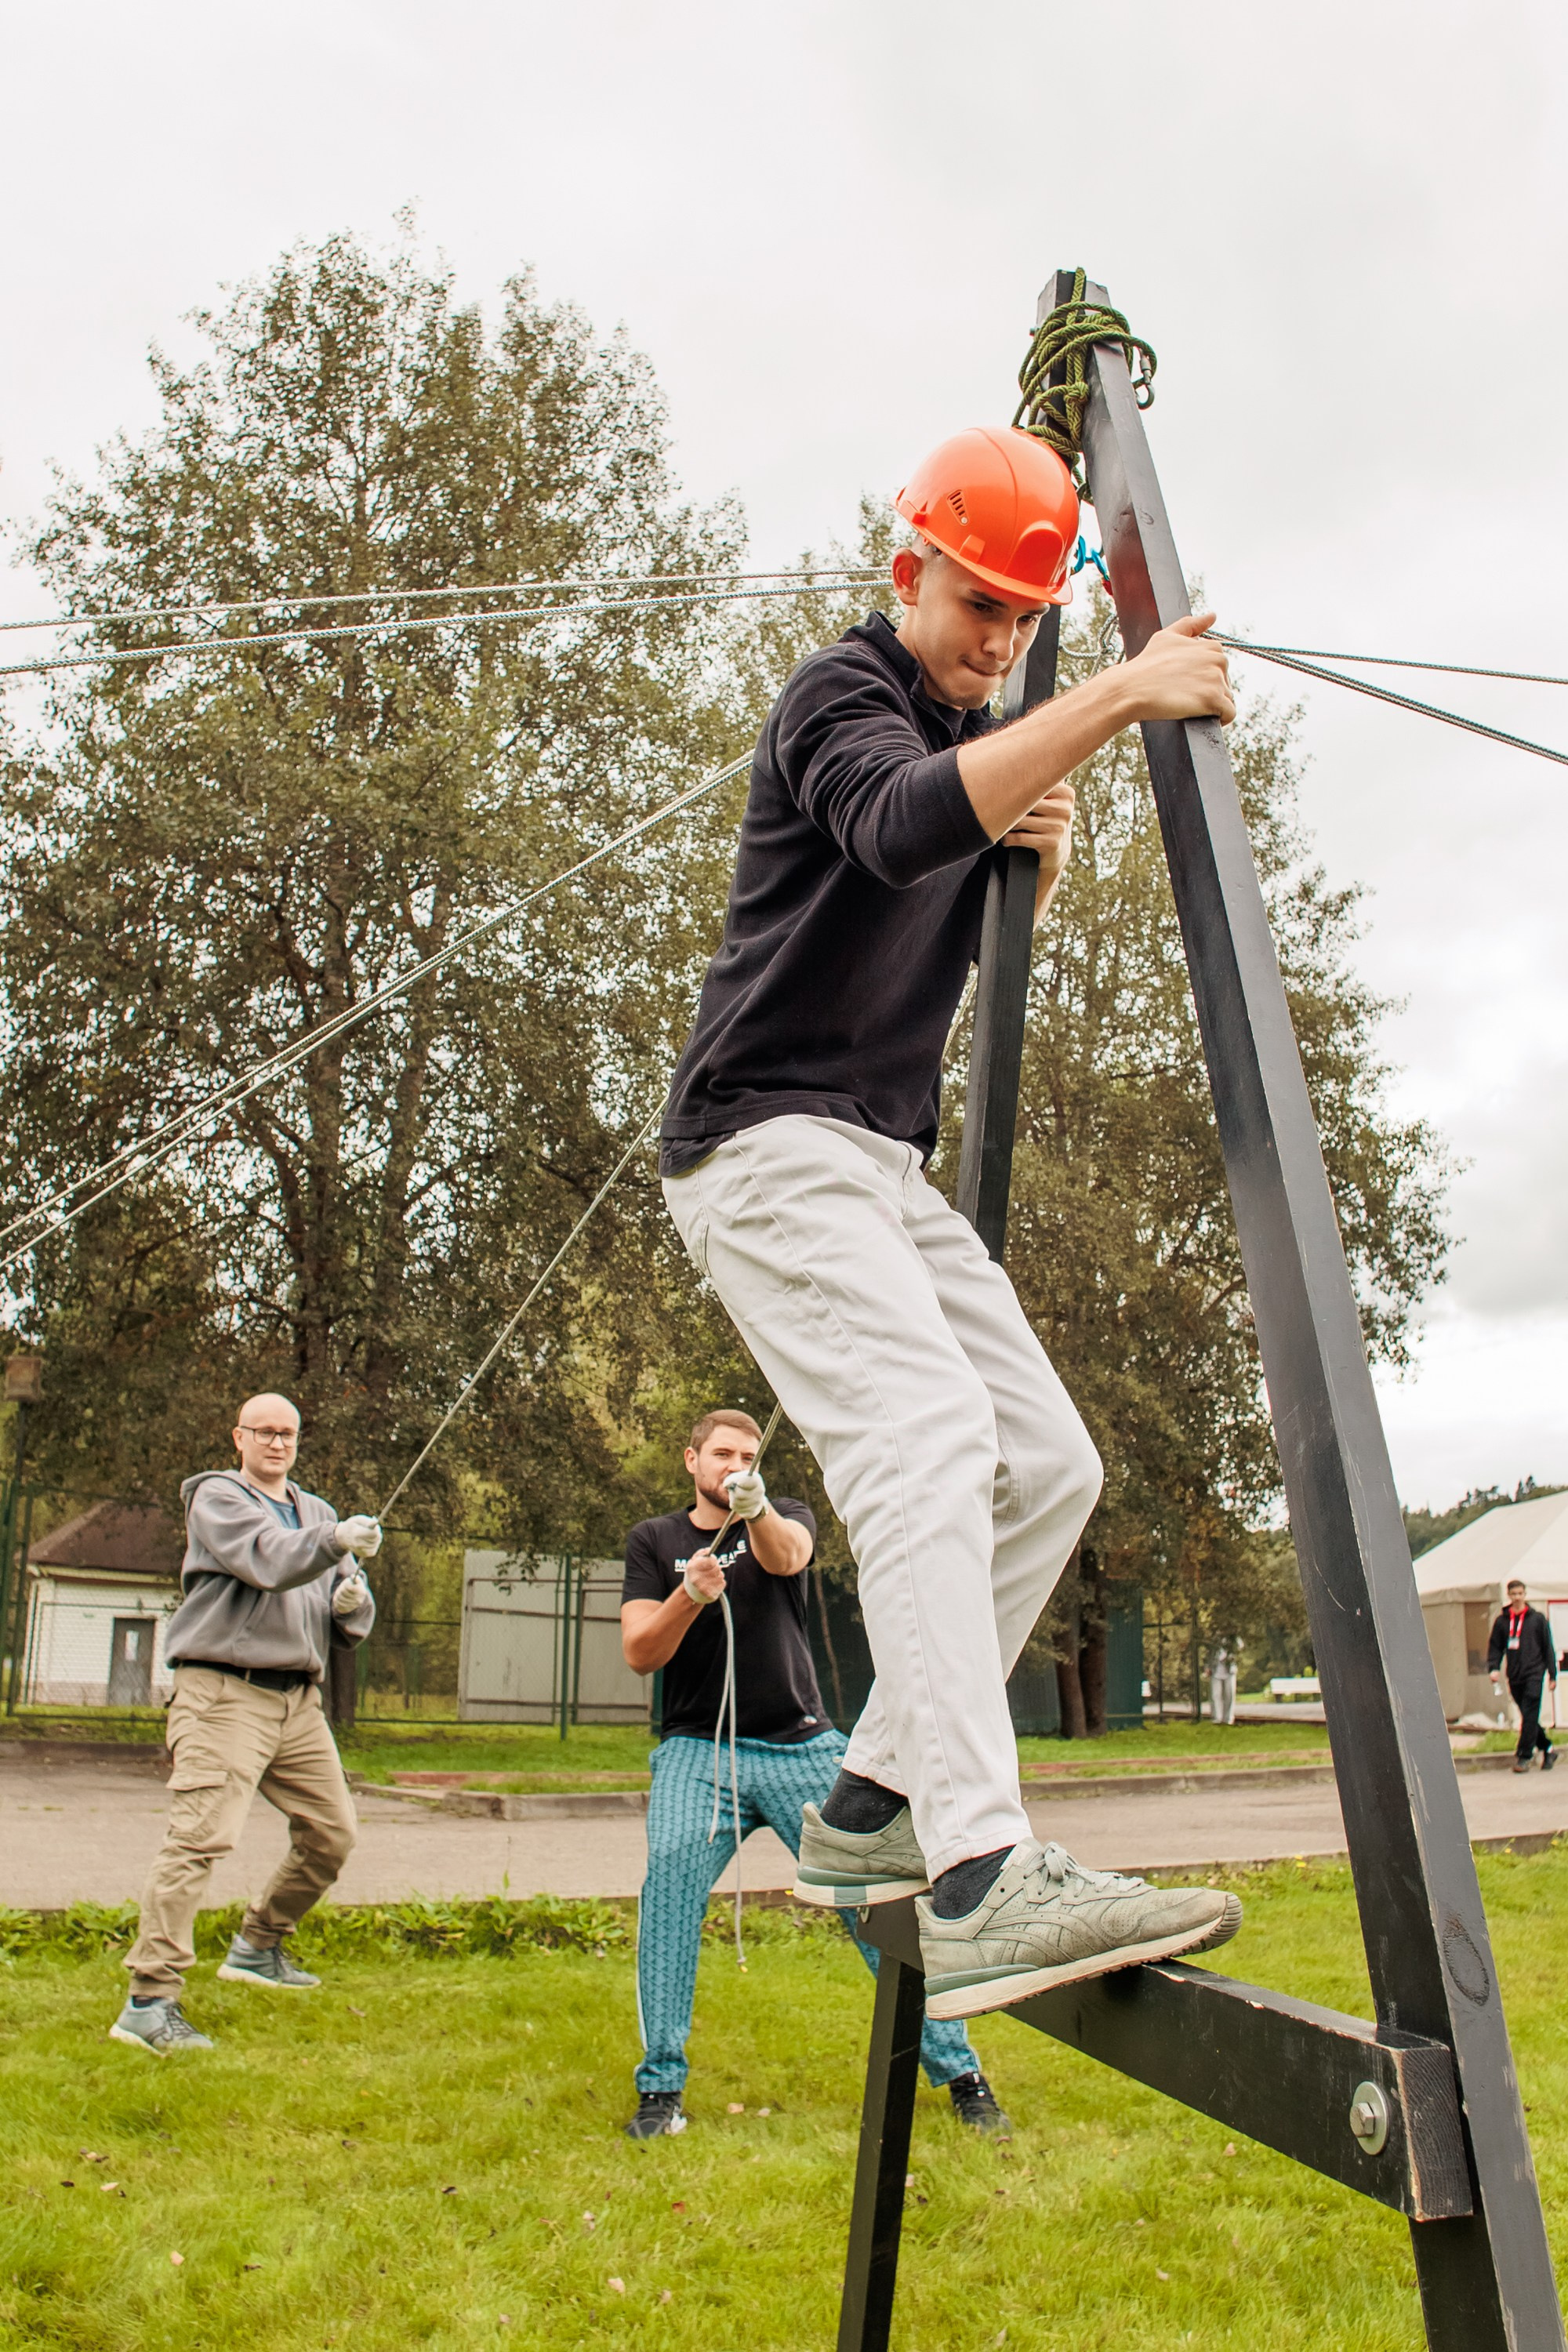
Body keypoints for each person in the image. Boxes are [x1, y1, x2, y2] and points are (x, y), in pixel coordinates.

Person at [659, 426, 1243, 2021]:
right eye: (972, 601)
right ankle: (980, 1868)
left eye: (1020, 615)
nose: (992, 637)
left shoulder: (979, 740)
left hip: (875, 1162)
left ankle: (863, 1809)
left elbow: (927, 961)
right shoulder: (840, 699)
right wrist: (1114, 694)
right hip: (765, 1147)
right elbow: (901, 825)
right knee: (922, 1434)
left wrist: (1025, 877)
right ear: (903, 569)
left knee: (1050, 1463)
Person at [619, 1407, 1010, 2140]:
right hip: (696, 1755)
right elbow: (641, 1652)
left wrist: (757, 1506)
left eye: (746, 1455)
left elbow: (790, 1556)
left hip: (803, 1747)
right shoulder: (656, 1540)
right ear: (691, 1460)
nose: (734, 1465)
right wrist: (689, 1595)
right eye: (721, 1454)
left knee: (881, 1904)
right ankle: (660, 2090)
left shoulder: (780, 1512)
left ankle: (962, 2074)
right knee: (667, 1888)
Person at [109, 1393, 381, 2055]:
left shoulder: (315, 1511)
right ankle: (148, 2000)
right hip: (223, 1693)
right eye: (265, 1432)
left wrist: (351, 1604)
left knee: (333, 1834)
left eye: (288, 1433)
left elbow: (340, 1617)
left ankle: (258, 1947)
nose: (278, 1444)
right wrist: (332, 1543)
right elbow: (267, 1558)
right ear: (240, 1437)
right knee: (200, 1838)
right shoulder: (217, 1498)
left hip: (297, 1701)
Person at [1487, 1579, 1557, 1775]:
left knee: (1530, 1712)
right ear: (1509, 1595)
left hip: (1534, 1673)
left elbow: (1547, 1647)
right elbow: (1495, 1646)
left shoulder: (1537, 1619)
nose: (1517, 1597)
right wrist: (1493, 1667)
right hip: (1515, 1675)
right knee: (1528, 1716)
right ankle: (1548, 1748)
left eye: (1520, 1594)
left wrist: (1552, 1674)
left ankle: (1525, 1755)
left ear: (1525, 1595)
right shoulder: (1503, 1621)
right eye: (1514, 1594)